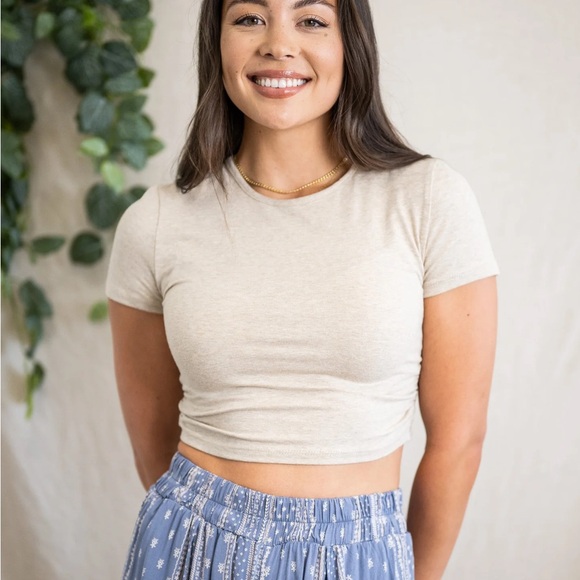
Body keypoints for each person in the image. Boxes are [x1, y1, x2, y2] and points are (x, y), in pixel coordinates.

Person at [106, 0, 499, 578]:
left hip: (360, 554)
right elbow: (154, 443)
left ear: (350, 44)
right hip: (191, 544)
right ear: (216, 41)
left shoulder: (428, 201)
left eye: (311, 20)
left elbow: (458, 441)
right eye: (249, 18)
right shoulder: (156, 222)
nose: (279, 44)